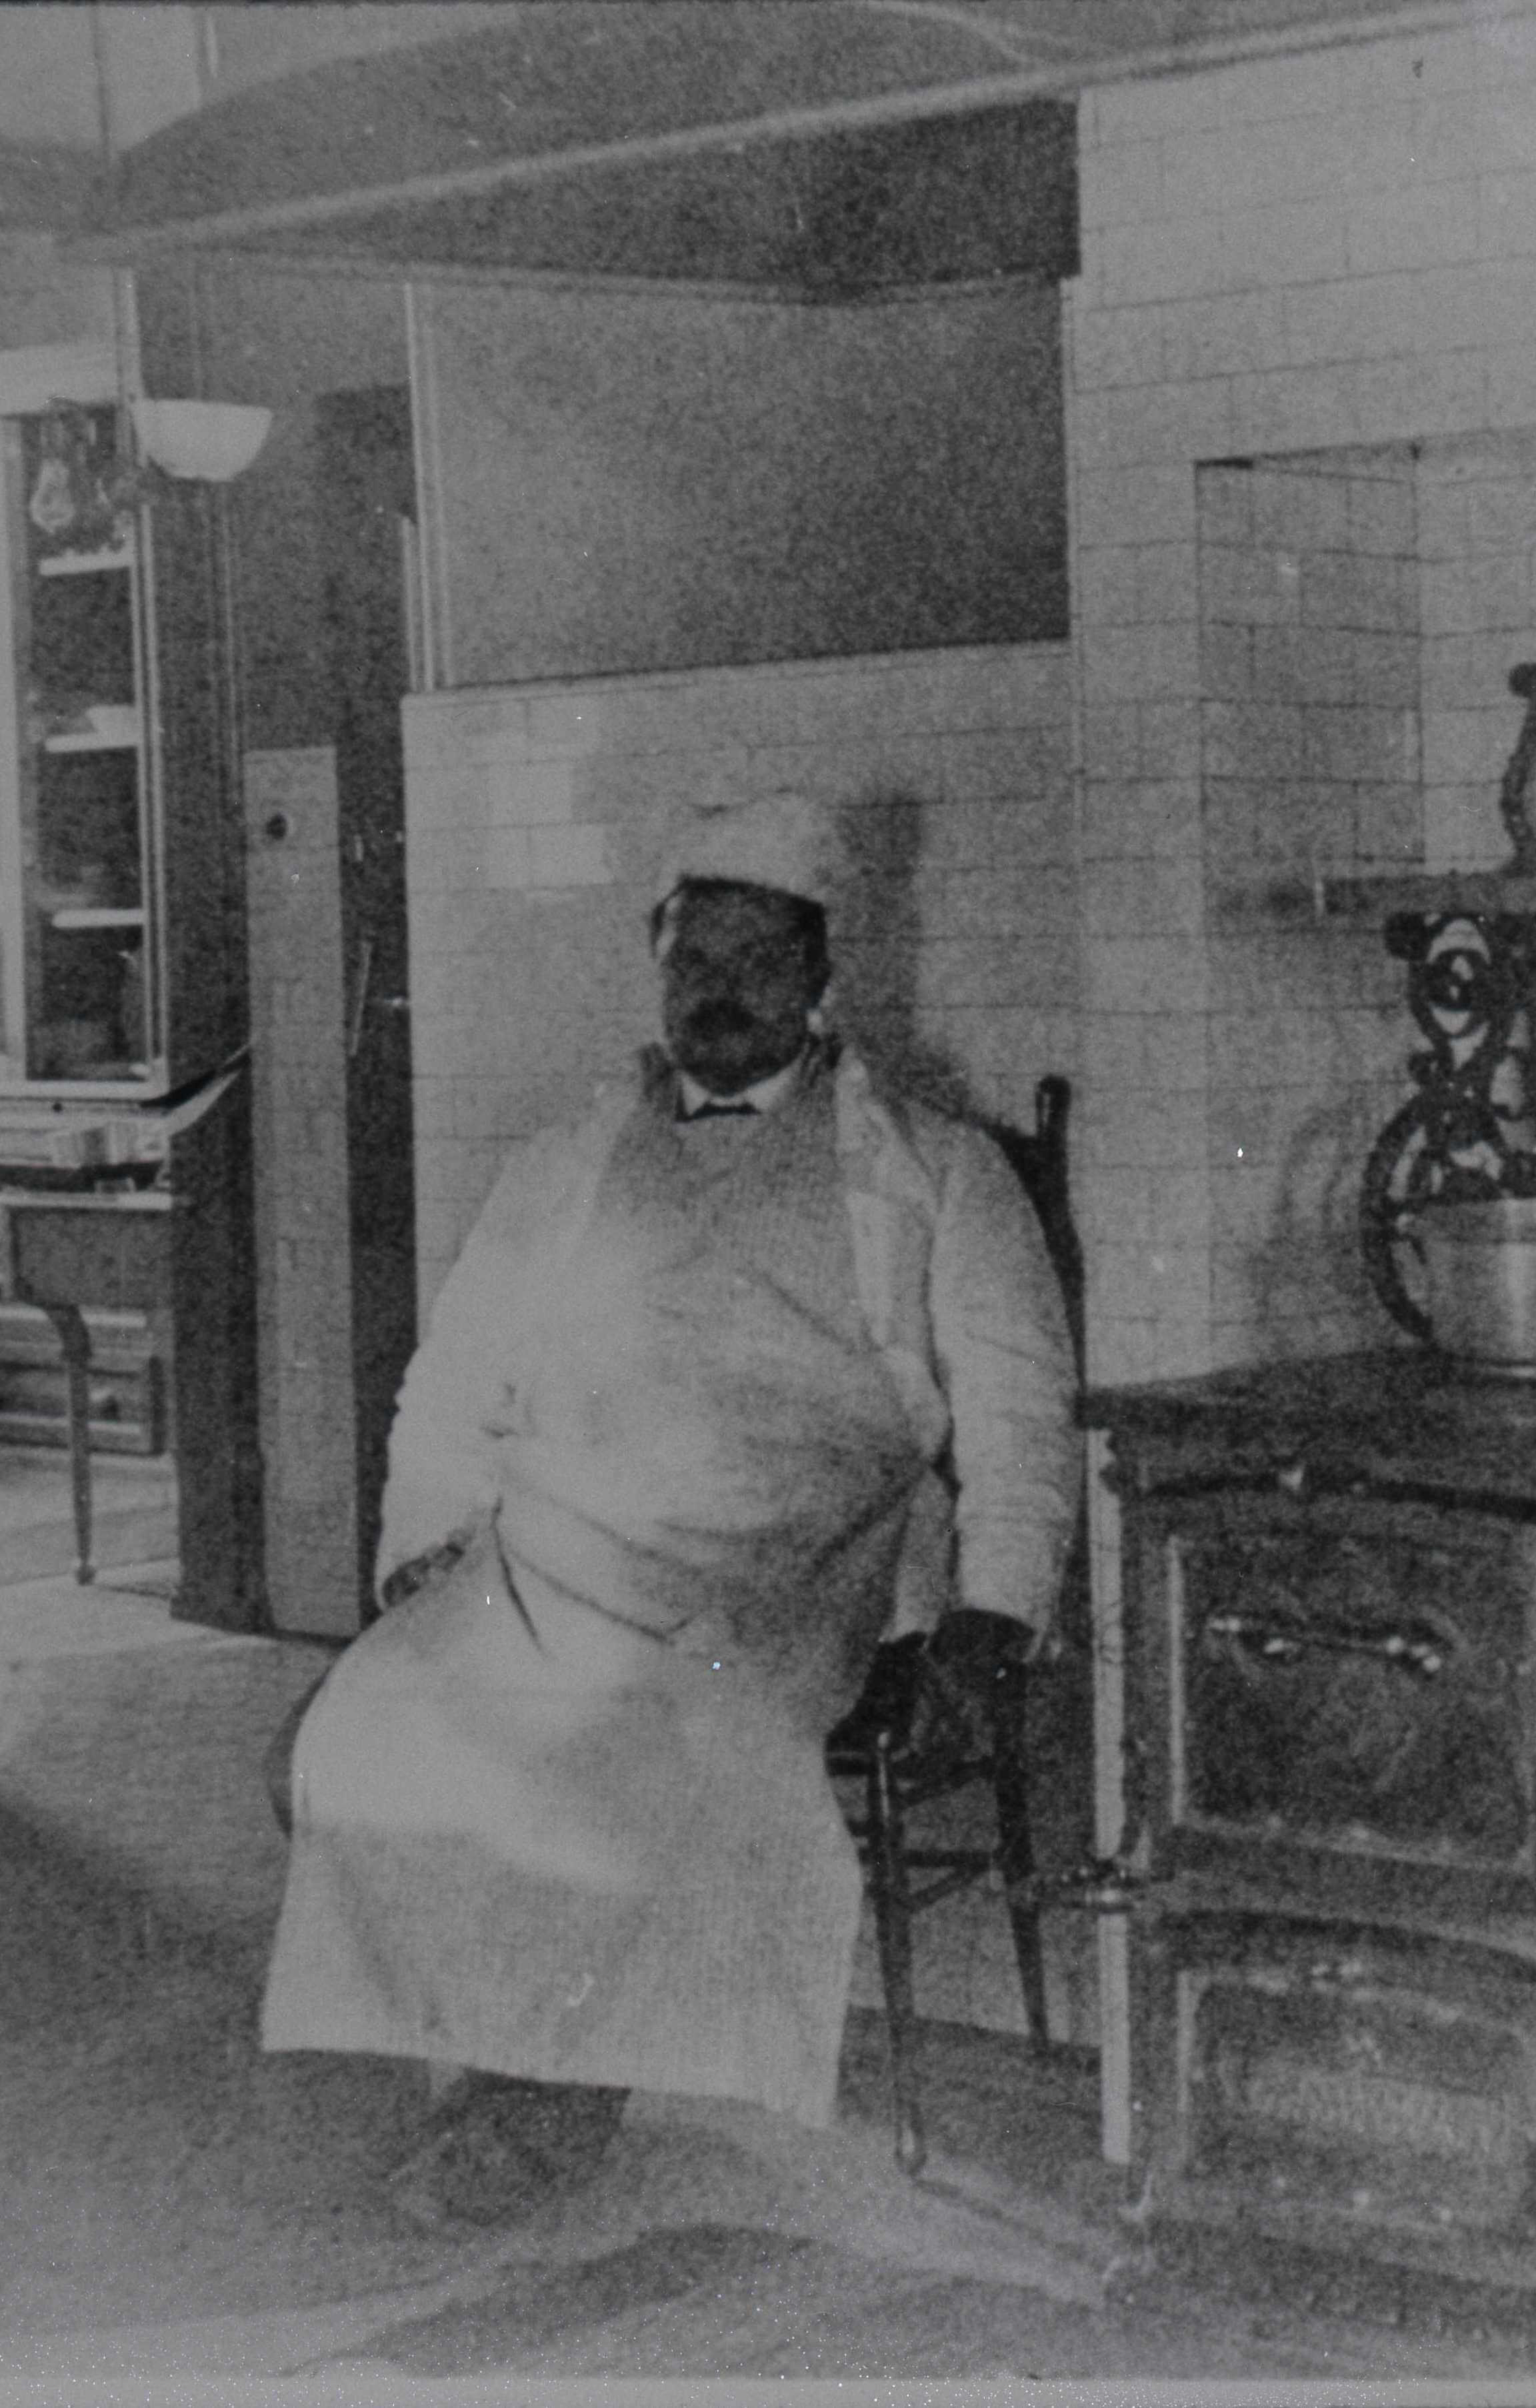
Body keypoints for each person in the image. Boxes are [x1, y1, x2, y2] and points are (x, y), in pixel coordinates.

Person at [258, 784, 1080, 2231]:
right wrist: (420, 1550)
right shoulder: (564, 1161)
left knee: (636, 1760)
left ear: (821, 977)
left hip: (784, 1571)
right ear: (656, 966)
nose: (721, 990)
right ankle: (494, 2043)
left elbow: (1020, 1413)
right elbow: (453, 1381)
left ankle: (550, 2102)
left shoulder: (936, 1169)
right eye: (694, 958)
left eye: (759, 960)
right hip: (549, 1547)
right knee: (350, 1739)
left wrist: (994, 1617)